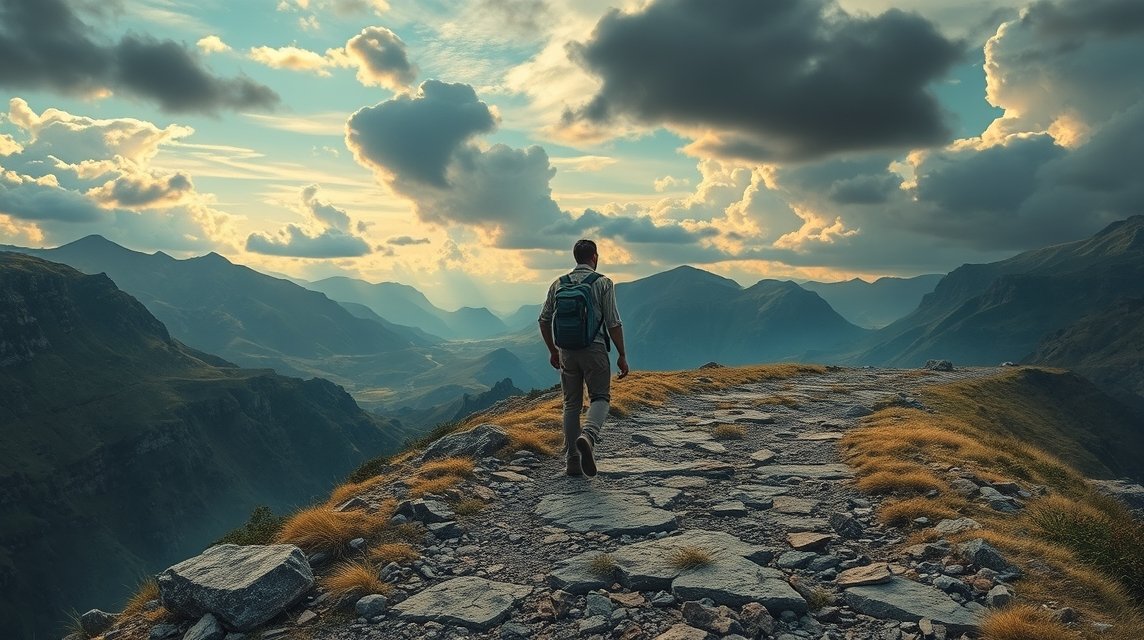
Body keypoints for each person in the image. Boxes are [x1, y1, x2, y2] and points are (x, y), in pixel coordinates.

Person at [538, 239, 629, 477]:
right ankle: (588, 435)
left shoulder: (558, 284)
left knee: (571, 404)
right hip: (594, 349)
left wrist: (553, 350)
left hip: (566, 351)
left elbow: (544, 320)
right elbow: (614, 322)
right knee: (600, 397)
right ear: (595, 257)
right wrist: (622, 354)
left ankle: (572, 461)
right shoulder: (603, 283)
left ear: (575, 257)